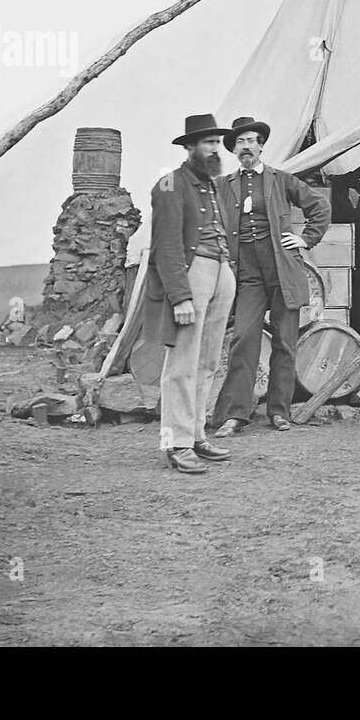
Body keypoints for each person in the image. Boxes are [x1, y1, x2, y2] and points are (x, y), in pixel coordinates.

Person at [210, 116, 331, 435]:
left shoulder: (281, 179)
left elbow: (319, 206)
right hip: (247, 273)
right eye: (240, 142)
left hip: (282, 269)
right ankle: (235, 415)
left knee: (285, 343)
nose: (246, 146)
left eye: (251, 140)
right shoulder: (224, 185)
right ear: (234, 150)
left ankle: (279, 411)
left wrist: (306, 238)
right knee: (243, 340)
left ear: (261, 146)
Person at [142, 114, 237, 474]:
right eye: (207, 143)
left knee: (208, 360)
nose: (215, 149)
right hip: (191, 273)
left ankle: (195, 434)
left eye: (217, 142)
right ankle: (174, 442)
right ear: (189, 147)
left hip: (220, 270)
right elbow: (166, 246)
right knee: (181, 364)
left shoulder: (211, 184)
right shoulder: (170, 185)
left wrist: (227, 271)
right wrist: (179, 296)